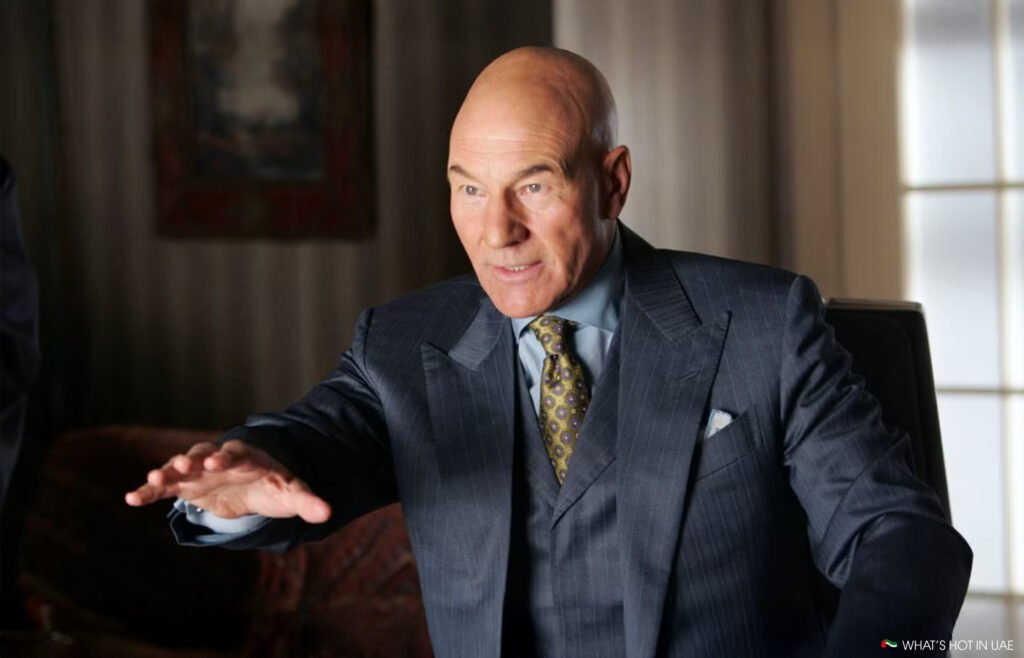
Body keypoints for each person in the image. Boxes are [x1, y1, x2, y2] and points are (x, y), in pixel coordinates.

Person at [127, 47, 971, 657]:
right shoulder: (402, 344)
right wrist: (237, 483)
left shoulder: (764, 322)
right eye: (469, 189)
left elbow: (904, 538)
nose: (498, 233)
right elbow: (310, 442)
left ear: (612, 182)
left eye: (533, 185)